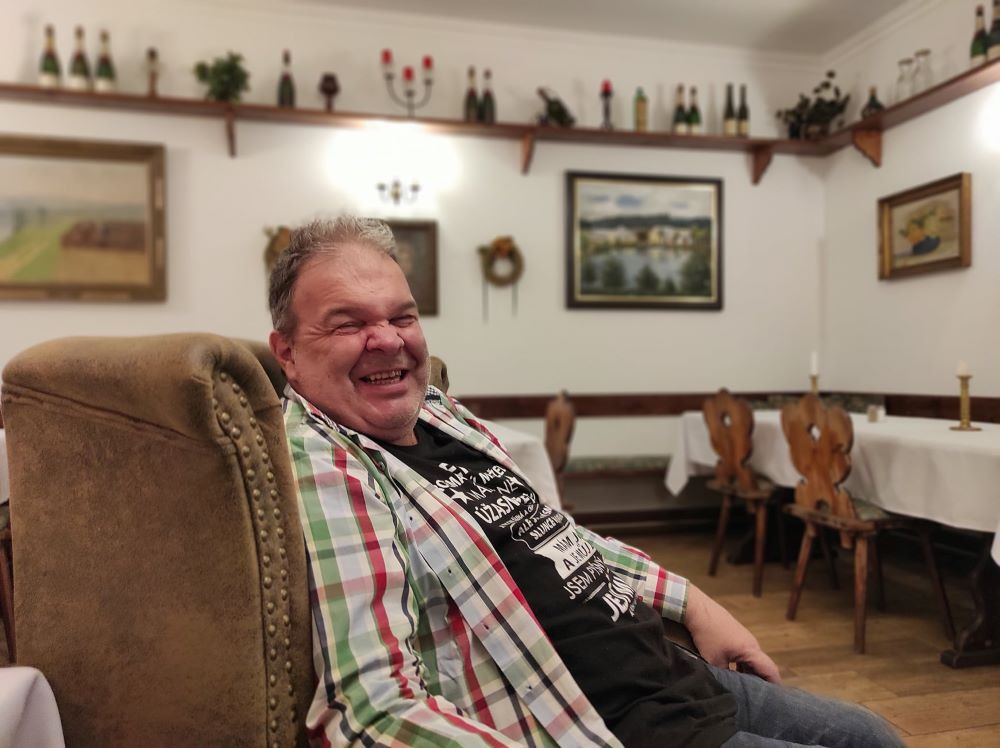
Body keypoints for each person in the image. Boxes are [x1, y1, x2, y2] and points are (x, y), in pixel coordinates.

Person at [267, 216, 905, 748]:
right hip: (604, 722)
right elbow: (372, 708)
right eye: (347, 323)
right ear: (287, 352)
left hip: (671, 672)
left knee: (871, 735)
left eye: (402, 316)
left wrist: (695, 604)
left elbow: (557, 536)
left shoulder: (439, 414)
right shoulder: (329, 466)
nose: (387, 339)